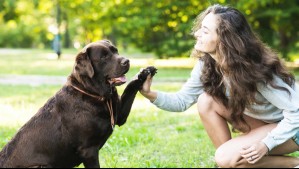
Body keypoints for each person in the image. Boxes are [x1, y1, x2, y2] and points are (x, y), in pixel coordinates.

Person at [139, 4, 299, 168]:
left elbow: (296, 112)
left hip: (293, 128)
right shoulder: (206, 64)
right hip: (265, 123)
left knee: (225, 157)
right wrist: (149, 93)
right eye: (200, 28)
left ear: (225, 39)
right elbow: (182, 101)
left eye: (205, 31)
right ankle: (231, 162)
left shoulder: (255, 70)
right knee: (206, 101)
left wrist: (266, 144)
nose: (197, 34)